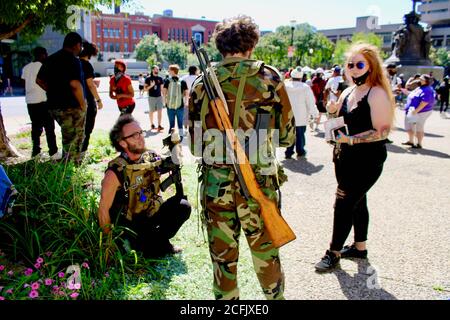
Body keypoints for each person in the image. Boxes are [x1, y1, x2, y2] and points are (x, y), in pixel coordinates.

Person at [189, 15, 295, 300]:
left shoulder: (201, 84)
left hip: (216, 186)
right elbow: (287, 137)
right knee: (266, 255)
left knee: (223, 261)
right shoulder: (269, 77)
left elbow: (196, 146)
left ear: (220, 45)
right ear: (252, 44)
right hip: (259, 183)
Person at [315, 43, 395, 272]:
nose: (353, 69)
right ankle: (360, 248)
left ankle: (333, 252)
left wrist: (351, 140)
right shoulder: (349, 91)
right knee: (358, 202)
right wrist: (331, 109)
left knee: (343, 202)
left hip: (367, 160)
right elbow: (339, 118)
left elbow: (383, 131)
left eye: (359, 64)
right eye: (350, 64)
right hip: (343, 157)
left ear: (371, 66)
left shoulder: (377, 92)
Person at [98, 115, 191, 258]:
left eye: (141, 132)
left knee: (183, 206)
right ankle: (151, 245)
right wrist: (109, 245)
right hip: (130, 225)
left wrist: (174, 159)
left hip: (150, 213)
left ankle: (159, 241)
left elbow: (163, 166)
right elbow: (103, 210)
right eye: (134, 135)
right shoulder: (115, 172)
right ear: (123, 143)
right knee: (152, 253)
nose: (141, 137)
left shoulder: (151, 157)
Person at [36, 32, 87, 163]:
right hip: (71, 107)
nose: (80, 49)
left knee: (69, 137)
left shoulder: (50, 59)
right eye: (80, 46)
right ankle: (70, 170)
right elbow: (75, 84)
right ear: (77, 45)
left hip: (54, 106)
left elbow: (39, 80)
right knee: (74, 140)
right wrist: (83, 104)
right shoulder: (73, 60)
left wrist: (54, 91)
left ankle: (69, 167)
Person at [21, 46, 59, 159]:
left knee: (35, 127)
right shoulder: (45, 66)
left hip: (30, 102)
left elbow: (23, 83)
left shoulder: (26, 68)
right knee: (49, 128)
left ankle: (36, 152)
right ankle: (53, 152)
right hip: (44, 101)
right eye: (45, 54)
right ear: (42, 54)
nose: (47, 56)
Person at [284, 67, 318, 160]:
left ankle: (288, 152)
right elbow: (311, 102)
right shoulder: (305, 87)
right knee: (300, 134)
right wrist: (314, 113)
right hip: (301, 116)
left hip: (288, 115)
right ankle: (300, 151)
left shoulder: (285, 86)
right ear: (301, 77)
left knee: (290, 134)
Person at [80, 41, 103, 155]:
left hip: (76, 100)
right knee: (88, 128)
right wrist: (99, 100)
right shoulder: (86, 65)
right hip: (88, 100)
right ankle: (83, 152)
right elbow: (89, 85)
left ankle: (75, 152)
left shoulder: (75, 62)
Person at [401, 74, 435, 149]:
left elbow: (424, 102)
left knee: (419, 127)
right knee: (409, 126)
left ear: (426, 81)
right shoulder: (420, 87)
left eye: (421, 78)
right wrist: (406, 92)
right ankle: (411, 141)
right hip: (412, 111)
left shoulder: (428, 90)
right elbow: (412, 93)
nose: (419, 79)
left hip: (421, 112)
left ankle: (419, 143)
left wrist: (416, 111)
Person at [163, 64, 189, 136]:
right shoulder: (180, 81)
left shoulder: (170, 81)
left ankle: (176, 137)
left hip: (175, 105)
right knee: (176, 123)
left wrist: (164, 102)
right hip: (175, 105)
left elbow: (164, 92)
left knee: (176, 123)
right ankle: (175, 137)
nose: (168, 71)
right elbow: (187, 92)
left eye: (169, 70)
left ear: (173, 71)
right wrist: (186, 102)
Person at [144, 65, 165, 132]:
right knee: (151, 111)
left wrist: (164, 97)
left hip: (159, 97)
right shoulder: (148, 78)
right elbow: (145, 89)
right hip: (151, 97)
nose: (157, 70)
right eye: (156, 69)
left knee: (160, 111)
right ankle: (152, 124)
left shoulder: (160, 78)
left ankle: (159, 125)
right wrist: (151, 86)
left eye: (158, 69)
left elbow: (162, 89)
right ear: (153, 70)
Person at [181, 66, 199, 133]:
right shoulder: (198, 77)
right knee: (195, 113)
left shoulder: (184, 78)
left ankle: (186, 127)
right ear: (195, 70)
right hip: (196, 98)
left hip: (186, 97)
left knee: (186, 112)